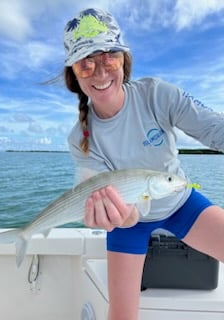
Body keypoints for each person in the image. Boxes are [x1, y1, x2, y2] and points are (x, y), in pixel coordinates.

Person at [62, 8, 224, 320]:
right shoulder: (79, 138)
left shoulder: (157, 95)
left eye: (110, 56)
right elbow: (131, 213)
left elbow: (213, 129)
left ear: (124, 60)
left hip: (181, 202)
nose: (100, 71)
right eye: (86, 63)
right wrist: (115, 216)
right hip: (130, 223)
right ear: (73, 74)